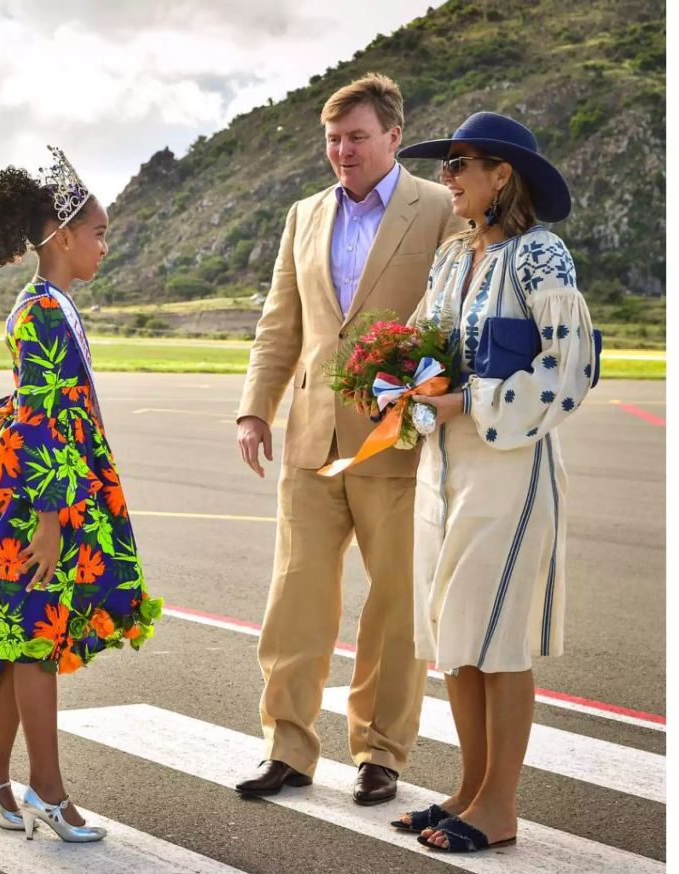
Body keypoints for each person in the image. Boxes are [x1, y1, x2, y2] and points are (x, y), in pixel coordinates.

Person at [0, 146, 161, 843]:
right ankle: (47, 792)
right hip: (32, 499)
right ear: (60, 236)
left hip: (41, 488)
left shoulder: (55, 305)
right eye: (98, 233)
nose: (104, 246)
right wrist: (51, 520)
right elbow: (39, 420)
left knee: (27, 637)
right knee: (33, 641)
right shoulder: (43, 313)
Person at [234, 74, 464, 804]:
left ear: (395, 136)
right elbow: (281, 322)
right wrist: (253, 409)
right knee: (295, 600)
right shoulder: (303, 214)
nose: (342, 151)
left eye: (357, 137)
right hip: (308, 438)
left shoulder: (437, 208)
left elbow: (457, 316)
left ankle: (381, 752)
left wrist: (436, 399)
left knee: (395, 604)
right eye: (333, 139)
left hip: (394, 441)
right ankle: (288, 748)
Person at [387, 112, 596, 854]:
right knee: (459, 636)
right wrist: (392, 385)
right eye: (444, 166)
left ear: (501, 175)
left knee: (499, 637)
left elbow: (571, 368)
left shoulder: (542, 256)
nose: (445, 178)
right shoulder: (451, 257)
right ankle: (469, 790)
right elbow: (414, 343)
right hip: (443, 465)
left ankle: (499, 806)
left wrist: (467, 401)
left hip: (509, 468)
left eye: (459, 165)